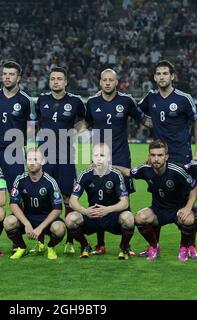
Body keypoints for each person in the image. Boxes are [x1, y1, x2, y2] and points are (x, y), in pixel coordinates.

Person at [137, 60, 197, 255]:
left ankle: (190, 245)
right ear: (155, 77)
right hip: (159, 156)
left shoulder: (184, 98)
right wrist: (153, 123)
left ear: (172, 76)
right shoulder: (151, 98)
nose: (162, 77)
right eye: (158, 74)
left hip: (181, 156)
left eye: (165, 73)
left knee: (185, 198)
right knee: (158, 196)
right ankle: (154, 246)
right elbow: (138, 114)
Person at [85, 68, 150, 255]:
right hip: (98, 157)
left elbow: (144, 120)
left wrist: (167, 127)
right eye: (104, 80)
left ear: (116, 82)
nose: (107, 83)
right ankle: (100, 244)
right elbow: (85, 123)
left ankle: (125, 245)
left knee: (125, 199)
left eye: (110, 80)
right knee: (96, 197)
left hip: (121, 157)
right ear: (100, 82)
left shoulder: (126, 101)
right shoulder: (92, 102)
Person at [116, 140, 197, 261]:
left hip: (178, 209)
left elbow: (195, 186)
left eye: (160, 155)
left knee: (189, 219)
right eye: (153, 155)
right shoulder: (145, 169)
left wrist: (188, 208)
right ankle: (154, 246)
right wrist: (109, 166)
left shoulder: (177, 170)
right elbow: (128, 172)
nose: (156, 159)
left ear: (166, 156)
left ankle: (183, 247)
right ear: (149, 156)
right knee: (139, 218)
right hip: (158, 210)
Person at [36, 66, 86, 254]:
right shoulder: (42, 100)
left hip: (66, 156)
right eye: (53, 79)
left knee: (68, 198)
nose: (55, 81)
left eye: (59, 79)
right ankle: (41, 240)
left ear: (66, 82)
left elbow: (87, 118)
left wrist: (75, 131)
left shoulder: (75, 101)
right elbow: (38, 122)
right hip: (45, 156)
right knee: (42, 197)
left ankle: (70, 242)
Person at [66, 143, 135, 260]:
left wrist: (108, 209)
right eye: (96, 155)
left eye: (102, 155)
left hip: (112, 216)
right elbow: (72, 201)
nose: (98, 158)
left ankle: (124, 247)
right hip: (92, 215)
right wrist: (85, 211)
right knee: (70, 219)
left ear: (109, 158)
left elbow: (125, 203)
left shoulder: (116, 175)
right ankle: (85, 246)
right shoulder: (85, 174)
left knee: (128, 217)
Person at [4, 148, 66, 260]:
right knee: (8, 222)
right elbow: (13, 204)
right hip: (28, 218)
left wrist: (40, 228)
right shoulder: (20, 180)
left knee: (59, 228)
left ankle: (51, 246)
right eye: (29, 159)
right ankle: (21, 247)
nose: (32, 162)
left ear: (43, 161)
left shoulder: (50, 182)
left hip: (46, 219)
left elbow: (57, 209)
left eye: (36, 159)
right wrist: (27, 223)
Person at [0, 61, 37, 192]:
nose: (7, 77)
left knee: (16, 192)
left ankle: (17, 213)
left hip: (14, 153)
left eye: (11, 74)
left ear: (18, 78)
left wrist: (30, 153)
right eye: (5, 74)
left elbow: (31, 130)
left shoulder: (26, 100)